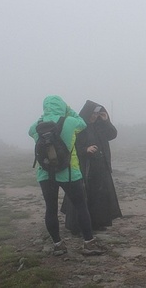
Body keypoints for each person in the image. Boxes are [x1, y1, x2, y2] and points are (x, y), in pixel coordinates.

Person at [28, 95, 106, 256]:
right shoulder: (69, 122)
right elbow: (82, 123)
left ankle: (58, 245)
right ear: (62, 106)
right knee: (80, 206)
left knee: (50, 208)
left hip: (45, 174)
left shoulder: (37, 126)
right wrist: (69, 110)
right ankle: (88, 243)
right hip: (69, 172)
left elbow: (30, 132)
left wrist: (45, 116)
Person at [62, 100, 122, 233]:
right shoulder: (79, 126)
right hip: (84, 166)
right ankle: (78, 226)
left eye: (97, 114)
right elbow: (72, 146)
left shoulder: (100, 125)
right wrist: (85, 149)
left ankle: (98, 223)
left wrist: (106, 120)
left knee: (99, 195)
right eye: (93, 114)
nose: (94, 117)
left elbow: (112, 135)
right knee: (83, 196)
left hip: (100, 166)